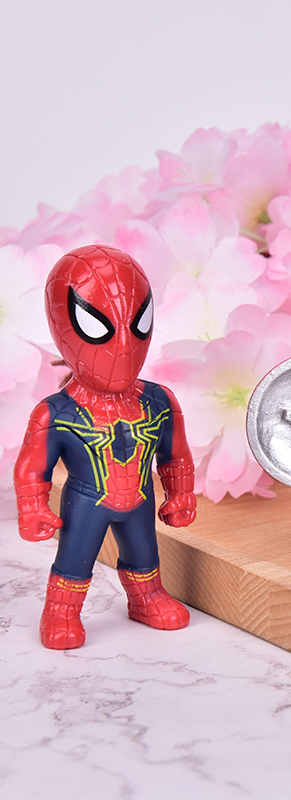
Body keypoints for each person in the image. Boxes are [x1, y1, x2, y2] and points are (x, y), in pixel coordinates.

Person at [14, 245, 196, 649]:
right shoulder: (56, 413)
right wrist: (31, 505)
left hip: (139, 497)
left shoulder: (159, 401)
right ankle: (61, 612)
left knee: (143, 552)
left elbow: (175, 454)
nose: (124, 346)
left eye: (137, 325)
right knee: (73, 559)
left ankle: (146, 597)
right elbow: (33, 467)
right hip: (87, 501)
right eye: (99, 327)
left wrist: (181, 492)